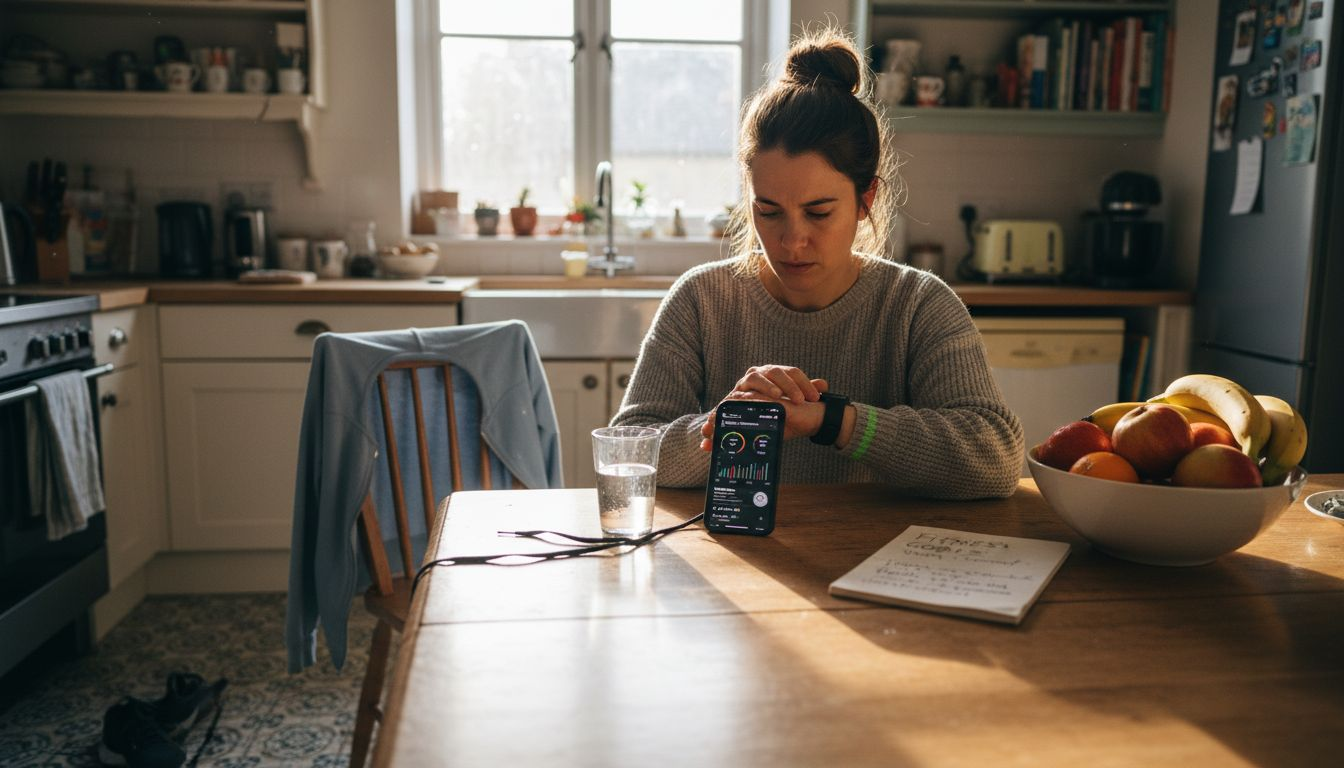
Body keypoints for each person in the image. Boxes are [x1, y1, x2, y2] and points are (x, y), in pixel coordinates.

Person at [610, 28, 1023, 500]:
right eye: (768, 211)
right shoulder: (700, 299)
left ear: (866, 199)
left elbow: (995, 458)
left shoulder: (918, 305)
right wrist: (728, 425)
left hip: (873, 562)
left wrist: (835, 421)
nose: (791, 240)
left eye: (818, 212)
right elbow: (629, 450)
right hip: (729, 561)